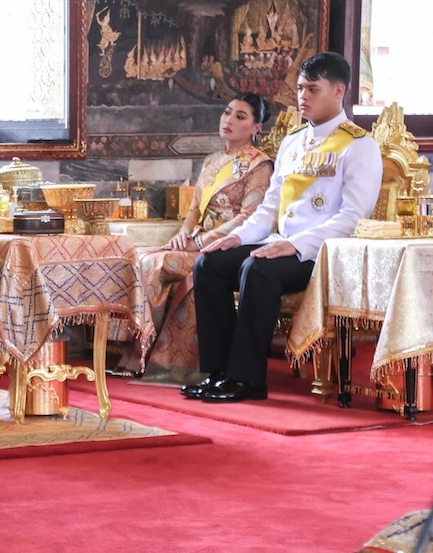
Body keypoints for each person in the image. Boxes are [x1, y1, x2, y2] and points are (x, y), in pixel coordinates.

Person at [184, 51, 383, 403]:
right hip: (281, 244)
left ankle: (247, 380)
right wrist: (236, 237)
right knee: (209, 263)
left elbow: (353, 218)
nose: (302, 97)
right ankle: (219, 373)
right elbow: (269, 209)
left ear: (338, 91)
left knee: (257, 269)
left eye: (312, 89)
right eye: (301, 88)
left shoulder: (359, 146)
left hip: (321, 253)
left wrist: (295, 245)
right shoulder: (292, 142)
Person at [108, 93, 273, 382]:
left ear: (256, 128)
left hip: (228, 247)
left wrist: (200, 242)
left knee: (158, 265)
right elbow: (194, 210)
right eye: (227, 112)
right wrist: (182, 235)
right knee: (142, 257)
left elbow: (249, 217)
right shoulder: (212, 161)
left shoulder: (260, 166)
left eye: (240, 116)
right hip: (196, 242)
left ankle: (149, 356)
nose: (229, 120)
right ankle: (133, 349)